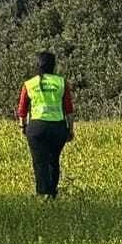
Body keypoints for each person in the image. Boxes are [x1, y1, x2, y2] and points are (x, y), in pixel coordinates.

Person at [16, 51, 74, 198]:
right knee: (53, 160)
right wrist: (70, 129)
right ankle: (52, 192)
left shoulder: (29, 84)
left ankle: (42, 193)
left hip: (37, 128)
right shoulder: (61, 82)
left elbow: (22, 110)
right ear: (53, 66)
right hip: (58, 127)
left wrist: (23, 127)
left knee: (39, 161)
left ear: (37, 65)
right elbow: (68, 109)